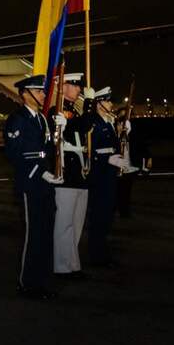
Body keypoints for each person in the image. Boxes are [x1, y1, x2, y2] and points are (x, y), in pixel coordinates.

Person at [4, 75, 62, 300]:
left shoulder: (41, 118)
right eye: (38, 92)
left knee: (46, 233)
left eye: (42, 92)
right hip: (31, 182)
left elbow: (46, 149)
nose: (43, 95)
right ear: (25, 93)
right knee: (33, 234)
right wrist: (42, 172)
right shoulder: (17, 119)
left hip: (46, 183)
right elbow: (15, 154)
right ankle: (27, 284)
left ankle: (42, 281)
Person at [46, 73, 96, 279]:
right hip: (66, 173)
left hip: (79, 174)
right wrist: (91, 103)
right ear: (63, 86)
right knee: (64, 223)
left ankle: (72, 263)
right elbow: (83, 126)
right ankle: (61, 266)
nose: (79, 91)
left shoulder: (72, 112)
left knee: (76, 223)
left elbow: (82, 126)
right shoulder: (56, 111)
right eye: (75, 87)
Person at [86, 87, 131, 267]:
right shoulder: (94, 123)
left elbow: (113, 146)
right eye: (108, 101)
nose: (111, 104)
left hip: (109, 176)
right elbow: (91, 151)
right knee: (99, 217)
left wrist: (123, 133)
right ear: (99, 104)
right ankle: (97, 255)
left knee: (106, 218)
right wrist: (108, 159)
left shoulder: (108, 122)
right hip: (99, 177)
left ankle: (102, 252)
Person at [115, 101, 151, 218]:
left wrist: (148, 157)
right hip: (117, 164)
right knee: (117, 189)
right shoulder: (115, 129)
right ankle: (116, 209)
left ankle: (125, 211)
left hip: (130, 164)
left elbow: (142, 144)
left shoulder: (135, 129)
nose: (124, 119)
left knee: (127, 189)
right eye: (122, 116)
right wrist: (119, 133)